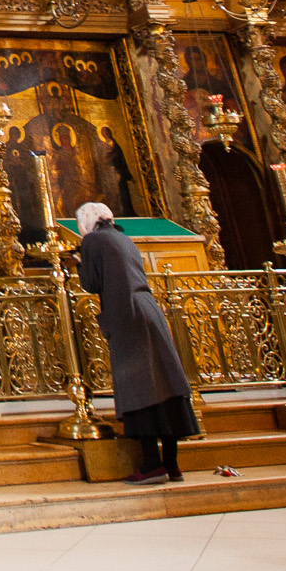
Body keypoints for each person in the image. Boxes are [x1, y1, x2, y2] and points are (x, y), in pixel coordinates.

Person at [75, 201, 199, 483]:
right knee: (165, 386)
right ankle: (171, 464)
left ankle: (151, 464)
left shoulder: (93, 240)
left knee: (139, 388)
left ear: (85, 223)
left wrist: (80, 262)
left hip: (126, 315)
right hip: (148, 309)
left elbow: (91, 283)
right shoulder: (122, 237)